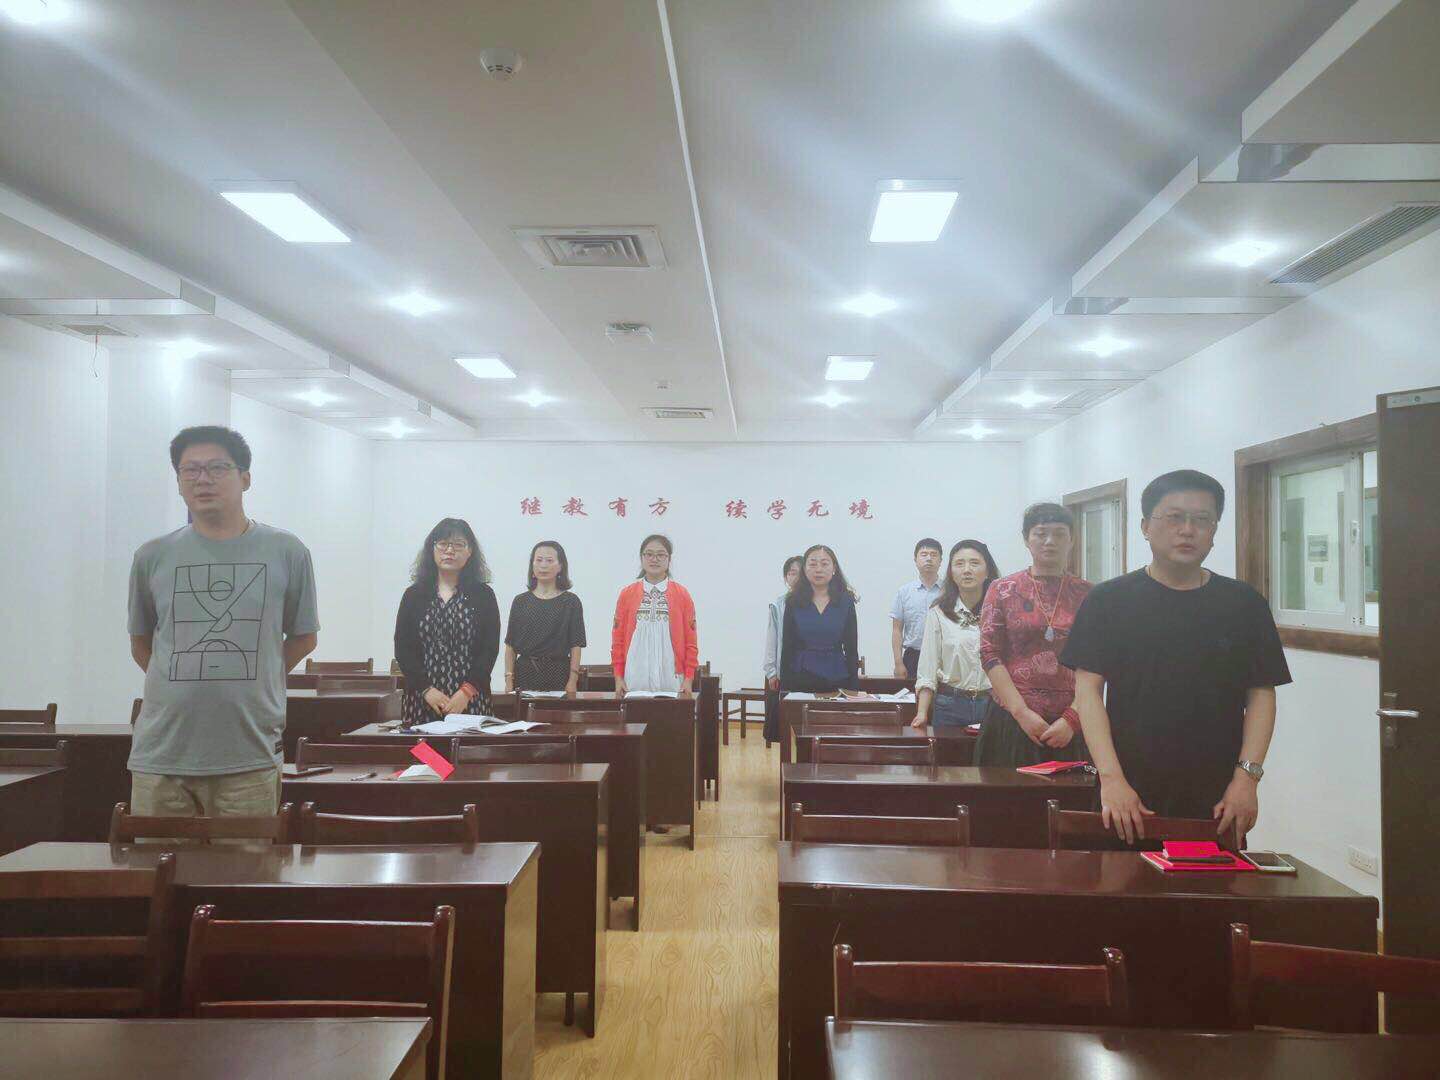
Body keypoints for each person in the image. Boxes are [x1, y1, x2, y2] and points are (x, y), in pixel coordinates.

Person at [1062, 470, 1291, 842]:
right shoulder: (1108, 601)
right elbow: (1088, 693)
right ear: (1145, 526)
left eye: (1202, 520)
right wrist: (1112, 779)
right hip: (1127, 790)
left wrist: (1247, 780)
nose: (1188, 530)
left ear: (1214, 531)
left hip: (1219, 794)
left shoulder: (1243, 604)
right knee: (1121, 878)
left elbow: (1262, 694)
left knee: (1215, 880)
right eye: (1174, 517)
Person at [127, 425, 318, 818]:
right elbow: (142, 642)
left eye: (217, 468)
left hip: (248, 754)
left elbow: (304, 637)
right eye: (190, 470)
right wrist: (183, 680)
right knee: (157, 859)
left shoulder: (287, 551)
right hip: (161, 756)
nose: (203, 479)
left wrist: (259, 675)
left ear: (245, 478)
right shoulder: (152, 556)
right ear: (179, 481)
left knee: (244, 860)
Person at [976, 503, 1091, 767]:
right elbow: (989, 653)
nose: (1050, 541)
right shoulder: (1002, 589)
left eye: (1059, 534)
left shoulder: (1088, 594)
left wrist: (1072, 719)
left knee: (1073, 792)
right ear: (1026, 539)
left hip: (1073, 721)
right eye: (1041, 533)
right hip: (1011, 717)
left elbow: (1095, 661)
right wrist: (1021, 713)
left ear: (1072, 540)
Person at [394, 518, 500, 725]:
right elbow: (403, 649)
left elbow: (489, 650)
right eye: (443, 544)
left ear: (470, 552)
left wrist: (466, 692)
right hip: (422, 699)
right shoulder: (413, 595)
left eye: (458, 545)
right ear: (432, 549)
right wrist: (427, 690)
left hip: (471, 700)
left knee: (469, 745)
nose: (450, 550)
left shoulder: (483, 595)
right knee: (423, 747)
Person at [912, 540, 1000, 731]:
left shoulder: (1001, 611)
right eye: (959, 564)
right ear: (951, 572)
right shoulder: (939, 612)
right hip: (950, 706)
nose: (967, 570)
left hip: (994, 705)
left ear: (987, 571)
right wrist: (922, 713)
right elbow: (928, 667)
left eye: (974, 563)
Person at [612, 534, 698, 698]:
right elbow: (618, 641)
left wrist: (688, 678)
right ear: (641, 558)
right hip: (635, 675)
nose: (654, 559)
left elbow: (691, 642)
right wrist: (618, 676)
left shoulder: (682, 595)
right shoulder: (627, 594)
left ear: (669, 559)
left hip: (671, 676)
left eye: (660, 555)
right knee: (635, 713)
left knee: (670, 713)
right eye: (649, 554)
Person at [504, 541, 587, 695]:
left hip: (559, 674)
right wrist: (509, 679)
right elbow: (510, 645)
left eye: (549, 560)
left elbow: (576, 644)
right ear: (532, 565)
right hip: (525, 674)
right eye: (539, 560)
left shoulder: (571, 601)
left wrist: (572, 680)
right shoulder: (520, 601)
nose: (543, 565)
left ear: (560, 566)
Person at [780, 545, 861, 694]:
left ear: (834, 568)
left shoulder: (846, 600)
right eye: (812, 564)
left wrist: (853, 689)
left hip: (837, 678)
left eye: (824, 564)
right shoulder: (793, 601)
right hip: (801, 678)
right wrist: (785, 690)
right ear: (805, 569)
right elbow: (787, 648)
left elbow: (851, 648)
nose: (818, 569)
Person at [762, 555, 805, 744]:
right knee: (785, 728)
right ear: (786, 577)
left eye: (800, 573)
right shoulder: (778, 605)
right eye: (791, 573)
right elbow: (771, 638)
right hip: (786, 671)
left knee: (806, 726)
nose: (796, 577)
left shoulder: (817, 602)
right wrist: (771, 672)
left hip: (809, 672)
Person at [891, 538, 943, 679]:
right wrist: (898, 663)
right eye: (924, 554)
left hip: (943, 656)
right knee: (911, 693)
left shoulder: (950, 592)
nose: (929, 558)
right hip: (913, 657)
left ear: (940, 561)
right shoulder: (904, 592)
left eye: (933, 554)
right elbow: (897, 630)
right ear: (915, 560)